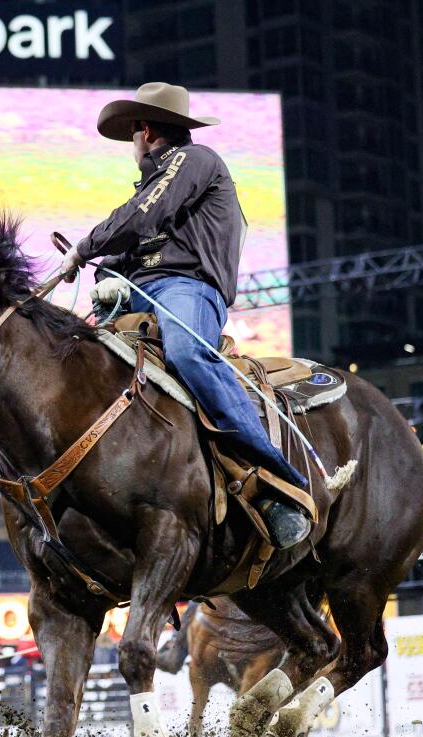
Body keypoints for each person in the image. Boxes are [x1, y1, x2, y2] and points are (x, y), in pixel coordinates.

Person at [59, 82, 311, 549]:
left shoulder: (195, 162)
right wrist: (104, 276)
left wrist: (84, 249)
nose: (132, 142)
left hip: (188, 289)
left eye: (133, 132)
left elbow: (140, 216)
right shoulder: (160, 184)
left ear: (145, 129)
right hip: (141, 295)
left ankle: (276, 477)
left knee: (187, 352)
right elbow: (136, 240)